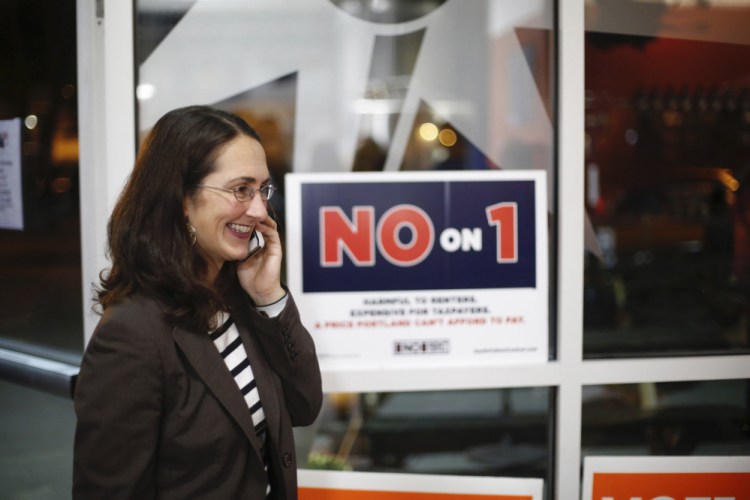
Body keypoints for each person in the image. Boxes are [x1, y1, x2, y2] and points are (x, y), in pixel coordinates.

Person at [73, 105, 323, 499]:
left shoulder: (239, 296)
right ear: (182, 200)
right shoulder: (132, 333)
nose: (259, 210)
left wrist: (268, 299)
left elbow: (305, 406)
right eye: (241, 189)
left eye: (262, 190)